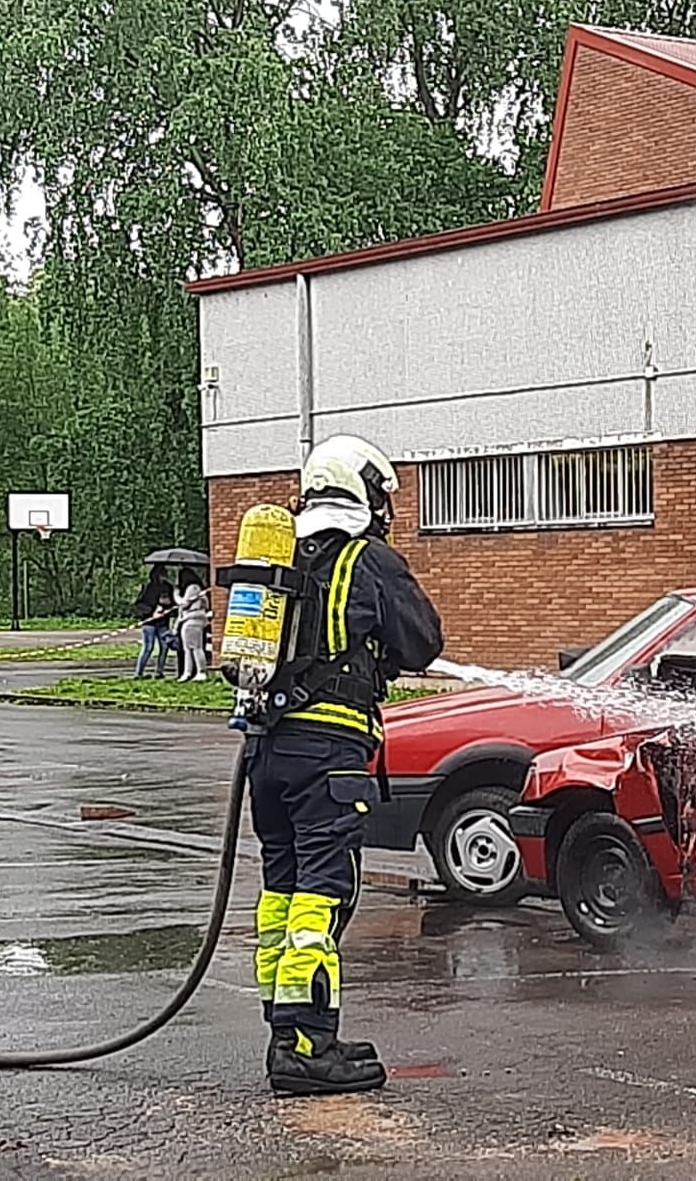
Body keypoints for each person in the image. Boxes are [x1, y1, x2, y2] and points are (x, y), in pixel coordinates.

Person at [246, 434, 442, 1097]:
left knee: (283, 896)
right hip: (327, 758)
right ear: (361, 492)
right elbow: (423, 642)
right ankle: (308, 1047)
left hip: (267, 757)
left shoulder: (285, 557)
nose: (388, 510)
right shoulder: (367, 560)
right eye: (382, 496)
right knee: (323, 900)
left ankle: (286, 1036)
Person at [132, 565, 175, 679]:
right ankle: (139, 672)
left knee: (164, 647)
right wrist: (151, 611)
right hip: (149, 622)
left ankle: (159, 672)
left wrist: (168, 605)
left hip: (162, 622)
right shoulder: (147, 587)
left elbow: (173, 604)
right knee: (148, 647)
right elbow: (139, 604)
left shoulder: (168, 587)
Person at [175, 568, 210, 681]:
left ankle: (201, 671)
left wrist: (176, 595)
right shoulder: (198, 588)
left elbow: (184, 603)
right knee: (188, 649)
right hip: (189, 620)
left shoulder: (193, 588)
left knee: (196, 647)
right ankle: (187, 672)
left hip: (192, 619)